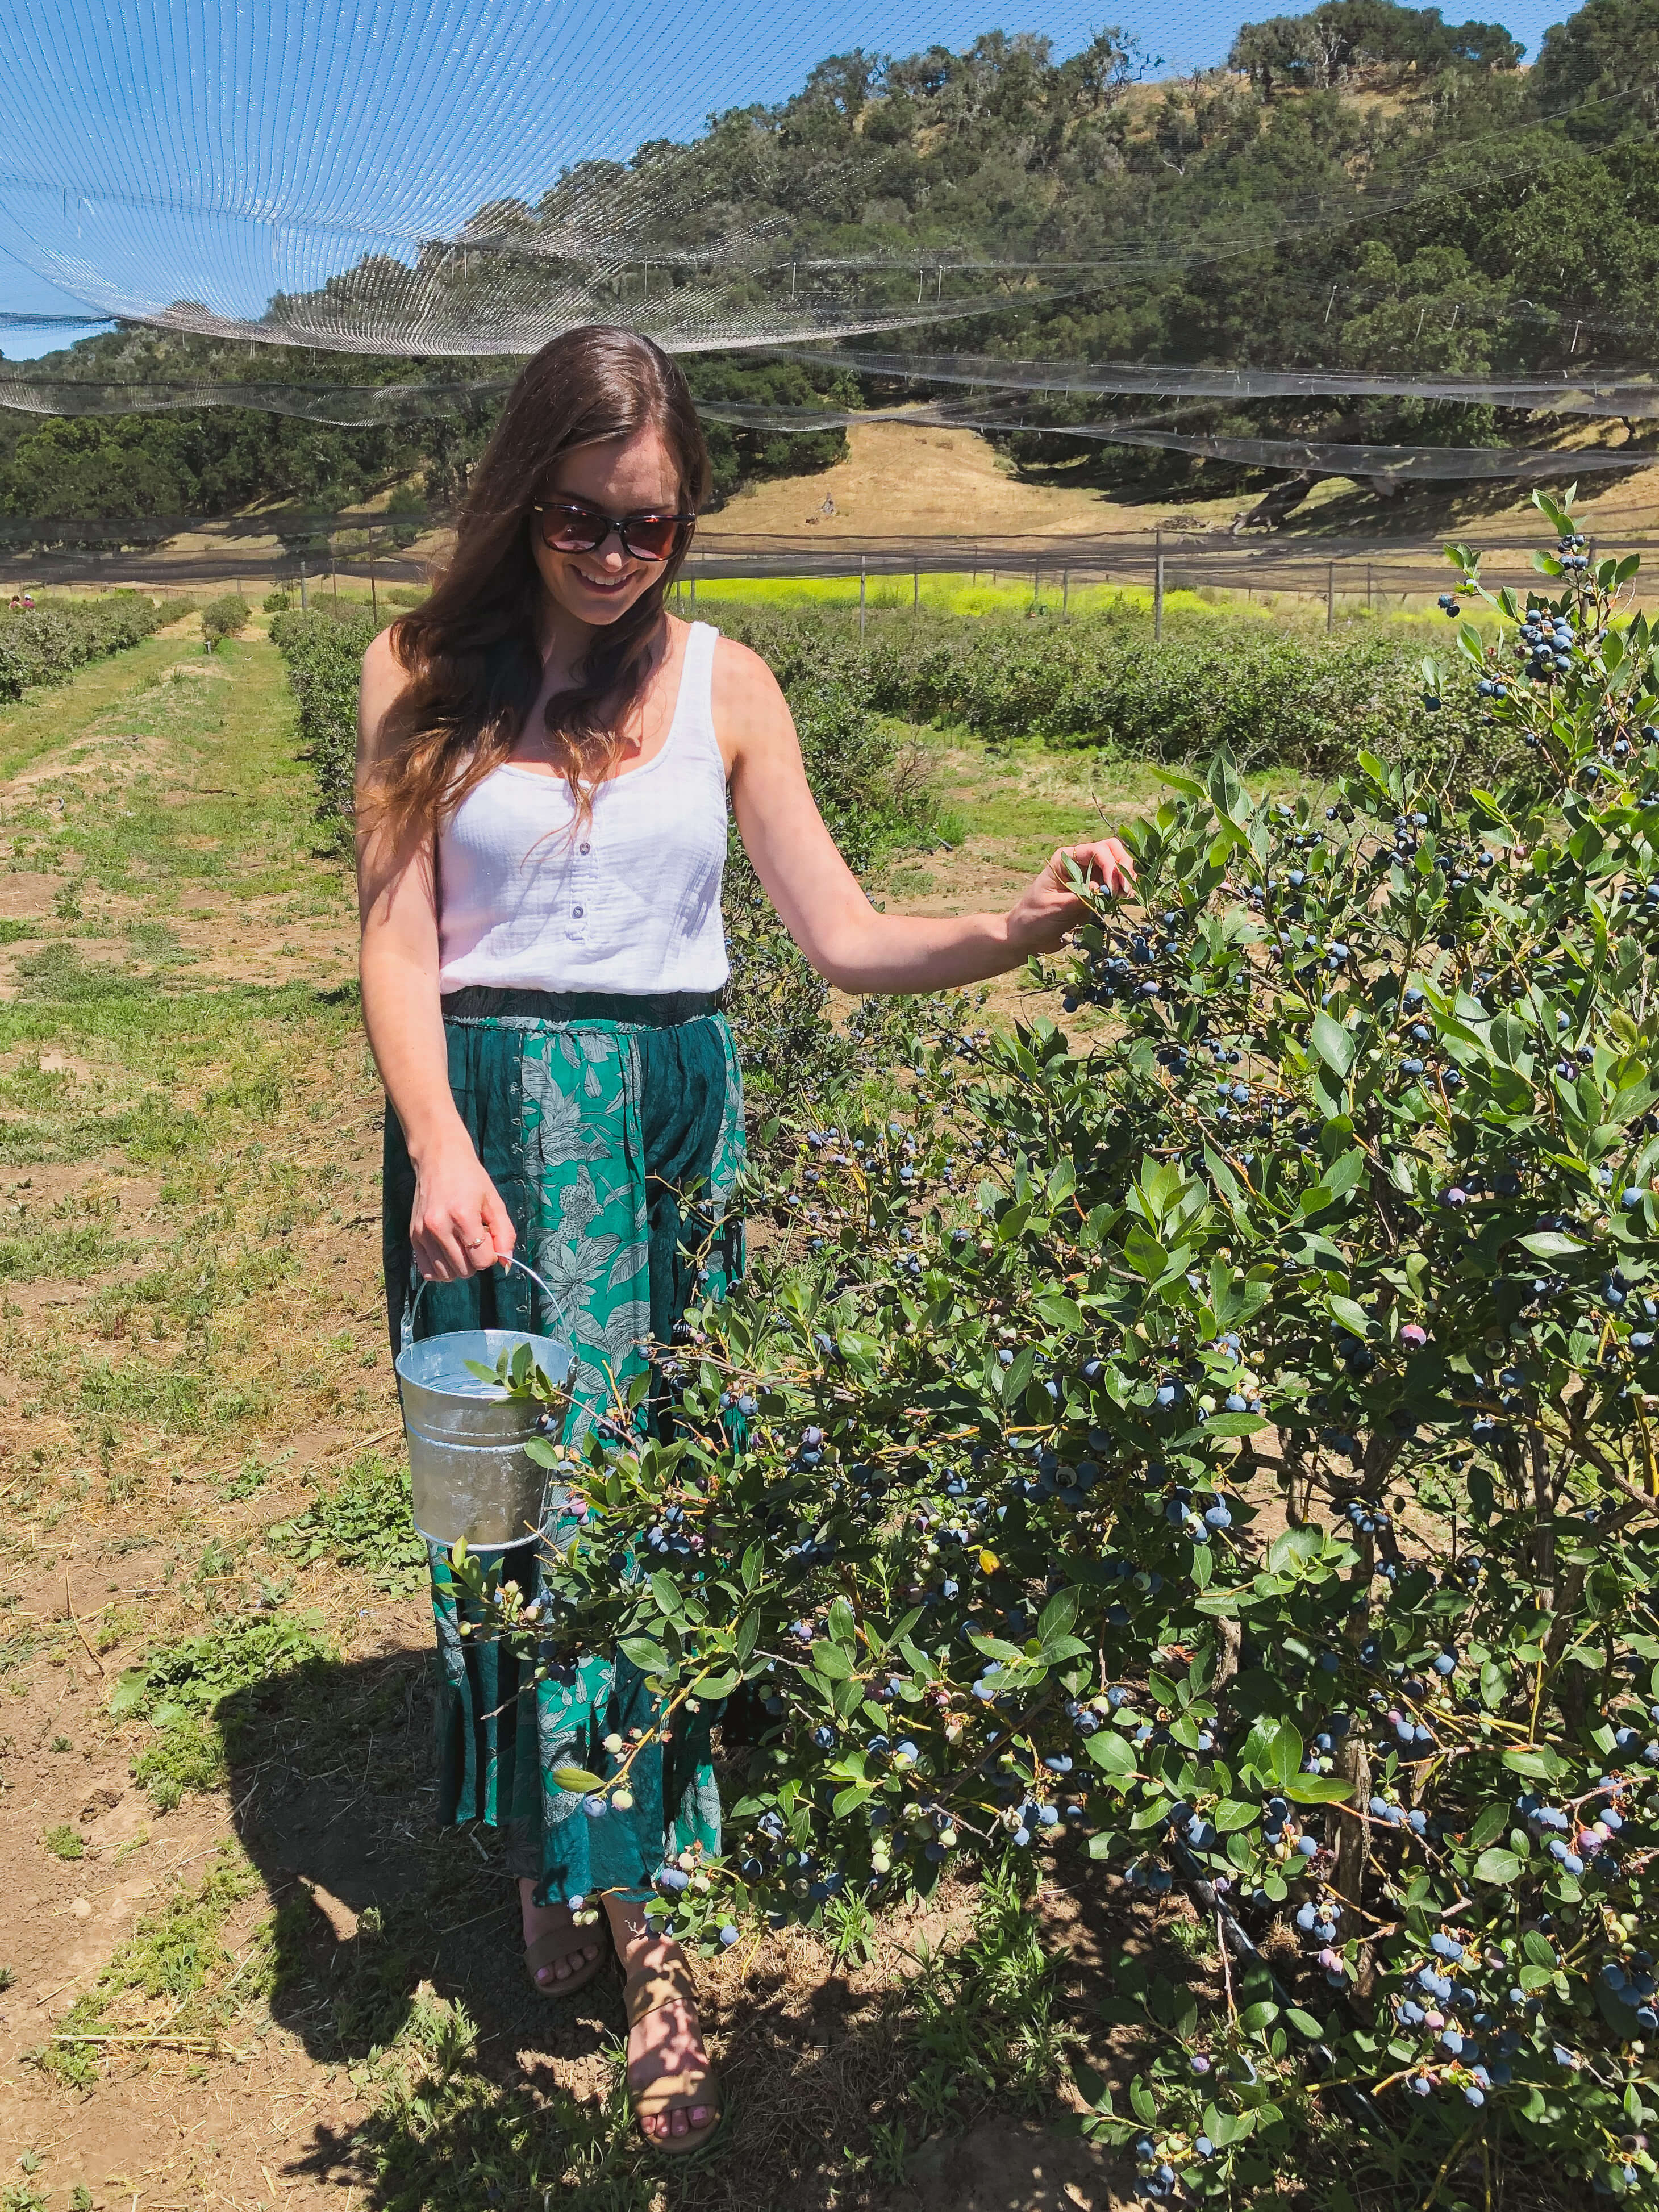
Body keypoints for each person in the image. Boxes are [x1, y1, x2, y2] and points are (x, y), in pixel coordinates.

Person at [355, 324, 1133, 2153]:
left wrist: (1014, 932)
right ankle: (549, 1841)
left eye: (654, 526)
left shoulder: (728, 687)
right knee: (495, 1500)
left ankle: (657, 1951)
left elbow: (844, 937)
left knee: (635, 1509)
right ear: (519, 494)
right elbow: (394, 943)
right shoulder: (415, 668)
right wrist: (440, 1139)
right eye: (582, 518)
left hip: (664, 1138)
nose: (618, 556)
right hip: (479, 1125)